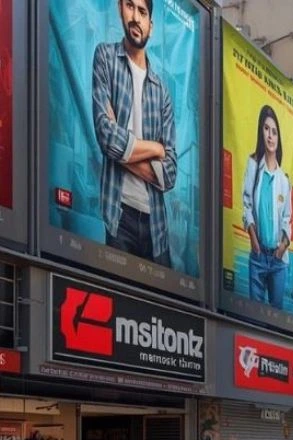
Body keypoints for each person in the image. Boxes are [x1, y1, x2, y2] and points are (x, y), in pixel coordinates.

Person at [92, 0, 177, 266]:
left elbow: (171, 171)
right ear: (120, 8)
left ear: (150, 26)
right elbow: (106, 136)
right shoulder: (106, 58)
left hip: (156, 226)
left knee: (160, 307)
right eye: (130, 6)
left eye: (143, 12)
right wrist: (156, 149)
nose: (135, 17)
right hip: (119, 216)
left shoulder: (161, 90)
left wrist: (122, 148)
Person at [242, 104, 292, 310]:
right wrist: (254, 240)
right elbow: (246, 205)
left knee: (277, 322)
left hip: (278, 260)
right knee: (255, 318)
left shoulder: (284, 180)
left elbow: (287, 219)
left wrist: (281, 248)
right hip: (258, 255)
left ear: (278, 137)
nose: (270, 136)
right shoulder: (253, 166)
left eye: (274, 131)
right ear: (260, 132)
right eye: (266, 129)